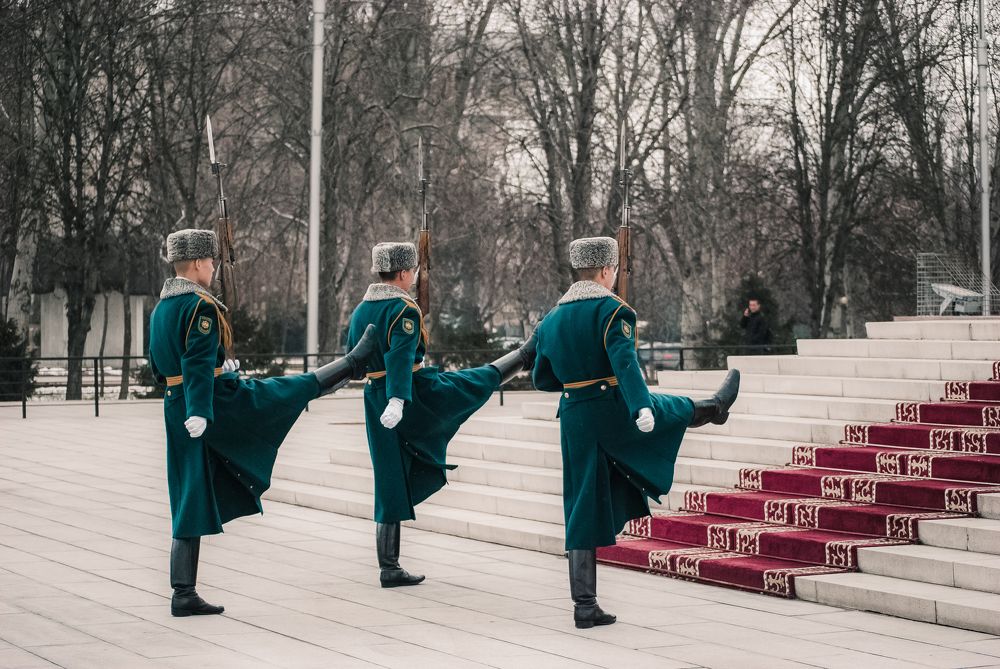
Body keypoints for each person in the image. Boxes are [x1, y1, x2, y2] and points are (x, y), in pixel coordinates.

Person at [149, 228, 377, 617]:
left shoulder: (163, 307)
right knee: (283, 392)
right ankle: (353, 364)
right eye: (212, 262)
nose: (215, 269)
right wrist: (202, 409)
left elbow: (161, 363)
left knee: (188, 495)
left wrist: (220, 371)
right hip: (212, 405)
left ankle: (183, 592)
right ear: (200, 263)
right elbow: (196, 363)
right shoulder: (199, 306)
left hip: (177, 406)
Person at [531, 236, 740, 629]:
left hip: (574, 417)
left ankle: (584, 605)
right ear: (607, 270)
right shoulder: (613, 311)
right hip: (612, 407)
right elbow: (625, 363)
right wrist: (639, 405)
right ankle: (714, 407)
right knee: (667, 407)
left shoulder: (552, 318)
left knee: (579, 504)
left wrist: (576, 380)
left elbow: (543, 378)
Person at [346, 242, 536, 588]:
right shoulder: (403, 309)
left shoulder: (361, 309)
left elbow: (354, 360)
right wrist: (399, 399)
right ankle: (523, 355)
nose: (415, 277)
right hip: (415, 393)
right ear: (403, 273)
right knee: (472, 383)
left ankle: (389, 566)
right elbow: (402, 357)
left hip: (375, 398)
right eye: (413, 271)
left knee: (388, 477)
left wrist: (384, 396)